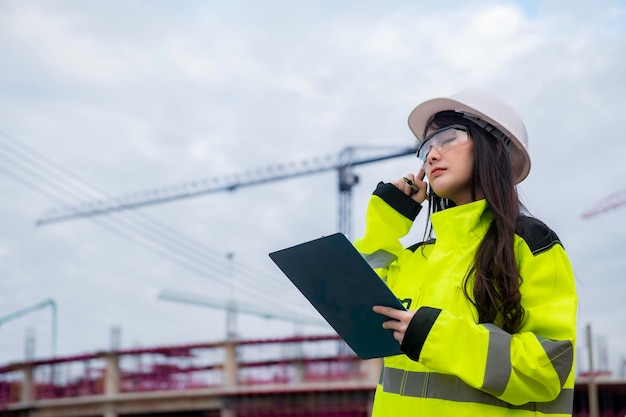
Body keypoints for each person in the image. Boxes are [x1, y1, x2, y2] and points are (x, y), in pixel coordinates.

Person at [353, 88, 578, 416]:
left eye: (447, 139)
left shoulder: (529, 244)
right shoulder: (418, 257)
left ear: (494, 148)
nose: (431, 155)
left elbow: (547, 369)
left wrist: (440, 337)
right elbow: (357, 309)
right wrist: (386, 223)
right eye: (427, 146)